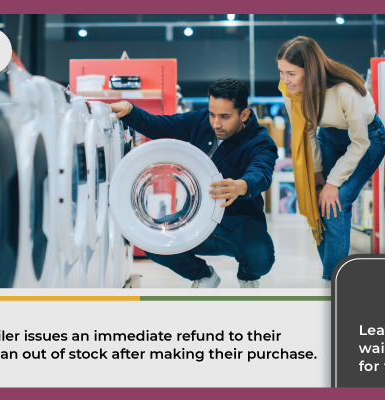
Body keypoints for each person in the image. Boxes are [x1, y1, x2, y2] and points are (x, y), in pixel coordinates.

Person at [109, 78, 278, 288]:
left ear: (244, 114)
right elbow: (158, 126)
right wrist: (130, 110)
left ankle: (247, 278)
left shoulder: (260, 142)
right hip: (195, 217)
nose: (216, 123)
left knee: (261, 256)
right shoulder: (200, 121)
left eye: (225, 117)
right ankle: (204, 275)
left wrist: (242, 185)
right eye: (212, 114)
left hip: (239, 222)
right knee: (150, 240)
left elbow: (262, 173)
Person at [276, 36, 385, 284]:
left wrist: (333, 182)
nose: (284, 80)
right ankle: (332, 277)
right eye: (281, 72)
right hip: (328, 135)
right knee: (320, 203)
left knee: (336, 203)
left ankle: (332, 283)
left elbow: (360, 143)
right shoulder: (291, 92)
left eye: (291, 73)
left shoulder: (344, 90)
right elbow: (306, 131)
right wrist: (317, 172)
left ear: (310, 70)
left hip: (367, 139)